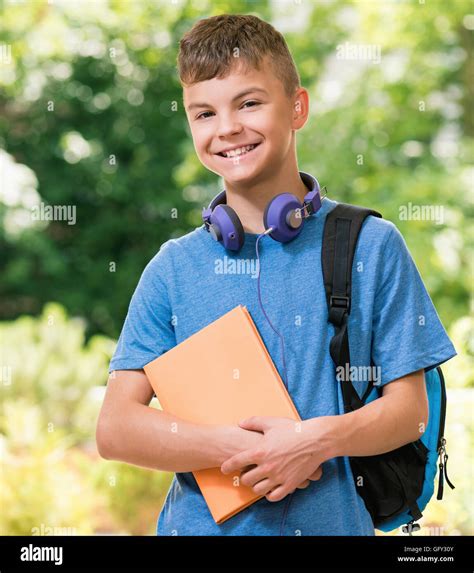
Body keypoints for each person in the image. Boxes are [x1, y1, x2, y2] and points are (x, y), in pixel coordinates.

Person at [96, 14, 457, 536]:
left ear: (297, 107)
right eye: (203, 113)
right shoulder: (172, 269)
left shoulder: (372, 246)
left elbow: (411, 414)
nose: (227, 129)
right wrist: (241, 448)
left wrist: (313, 441)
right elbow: (116, 428)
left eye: (249, 103)